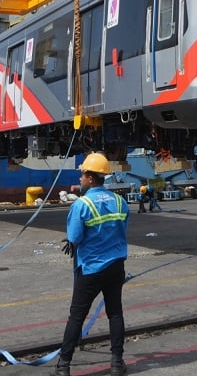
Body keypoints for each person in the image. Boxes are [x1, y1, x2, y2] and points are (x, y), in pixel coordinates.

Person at [51, 153, 129, 376]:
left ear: (92, 178)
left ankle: (64, 366)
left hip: (90, 268)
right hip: (115, 266)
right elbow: (121, 230)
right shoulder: (120, 201)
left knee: (76, 316)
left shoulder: (82, 205)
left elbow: (74, 238)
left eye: (83, 174)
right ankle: (116, 363)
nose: (81, 179)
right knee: (115, 313)